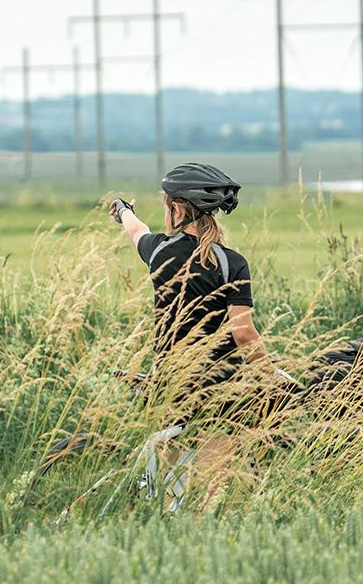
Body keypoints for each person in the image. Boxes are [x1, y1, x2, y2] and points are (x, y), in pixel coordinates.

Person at [109, 163, 289, 426]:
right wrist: (270, 374)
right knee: (217, 463)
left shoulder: (158, 251)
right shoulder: (231, 263)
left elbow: (137, 230)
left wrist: (124, 210)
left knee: (169, 457)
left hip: (170, 381)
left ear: (177, 210)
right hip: (219, 387)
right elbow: (243, 333)